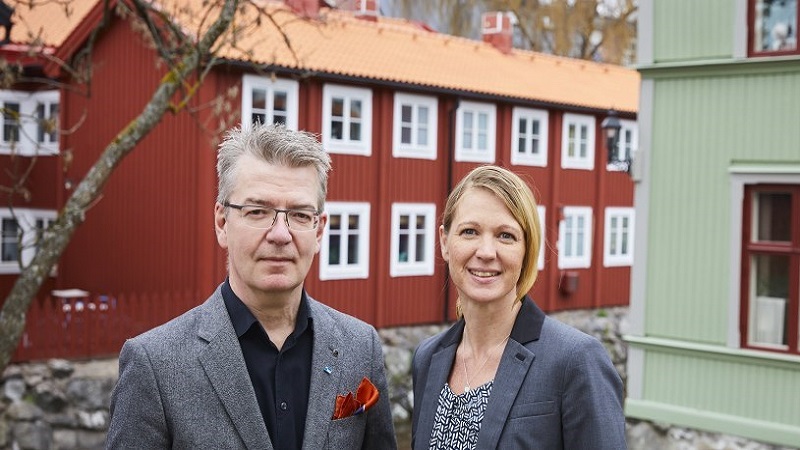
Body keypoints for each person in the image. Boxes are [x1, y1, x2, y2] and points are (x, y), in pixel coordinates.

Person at [107, 123, 396, 449]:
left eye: (299, 215)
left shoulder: (361, 348)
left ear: (318, 230)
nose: (280, 234)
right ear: (222, 223)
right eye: (258, 211)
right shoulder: (154, 365)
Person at [411, 165, 626, 449]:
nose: (486, 252)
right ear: (444, 242)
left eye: (505, 236)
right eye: (470, 231)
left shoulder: (575, 360)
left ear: (527, 250)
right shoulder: (428, 358)